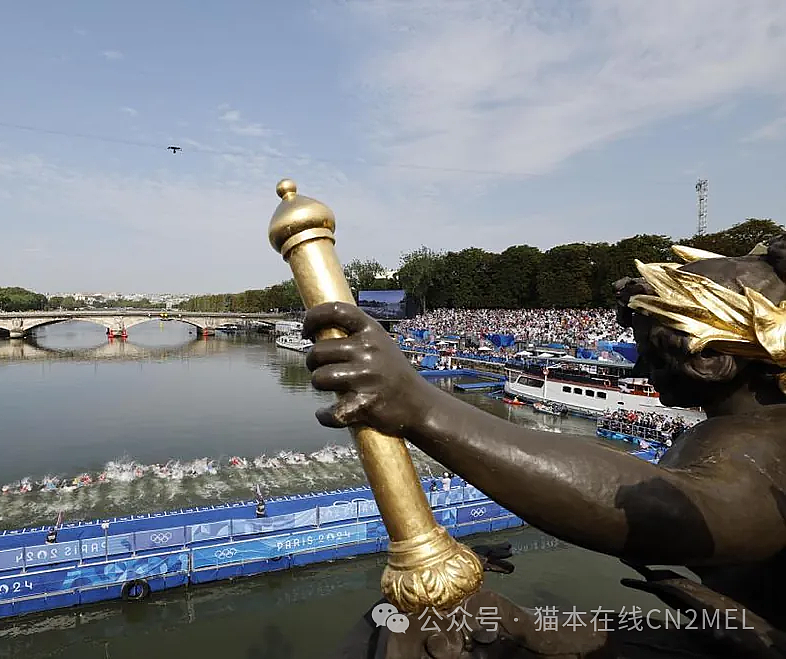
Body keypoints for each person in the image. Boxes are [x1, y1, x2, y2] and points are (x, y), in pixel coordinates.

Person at [304, 236, 786, 658]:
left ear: (708, 357)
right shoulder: (753, 427)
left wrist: (421, 406)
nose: (640, 371)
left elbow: (671, 515)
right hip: (738, 629)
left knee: (419, 631)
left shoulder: (756, 437)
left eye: (651, 356)